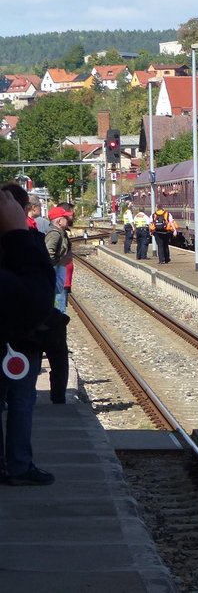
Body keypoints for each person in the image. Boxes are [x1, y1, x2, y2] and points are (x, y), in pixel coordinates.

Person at [0, 183, 57, 486]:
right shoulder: (30, 242)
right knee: (22, 401)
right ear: (21, 212)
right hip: (24, 340)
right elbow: (41, 293)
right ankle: (20, 466)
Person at [42, 206, 72, 405]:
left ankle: (58, 395)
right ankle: (58, 397)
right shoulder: (54, 234)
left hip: (55, 285)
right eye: (66, 218)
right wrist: (61, 261)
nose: (69, 220)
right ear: (58, 220)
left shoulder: (59, 233)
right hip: (53, 289)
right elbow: (48, 255)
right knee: (58, 350)